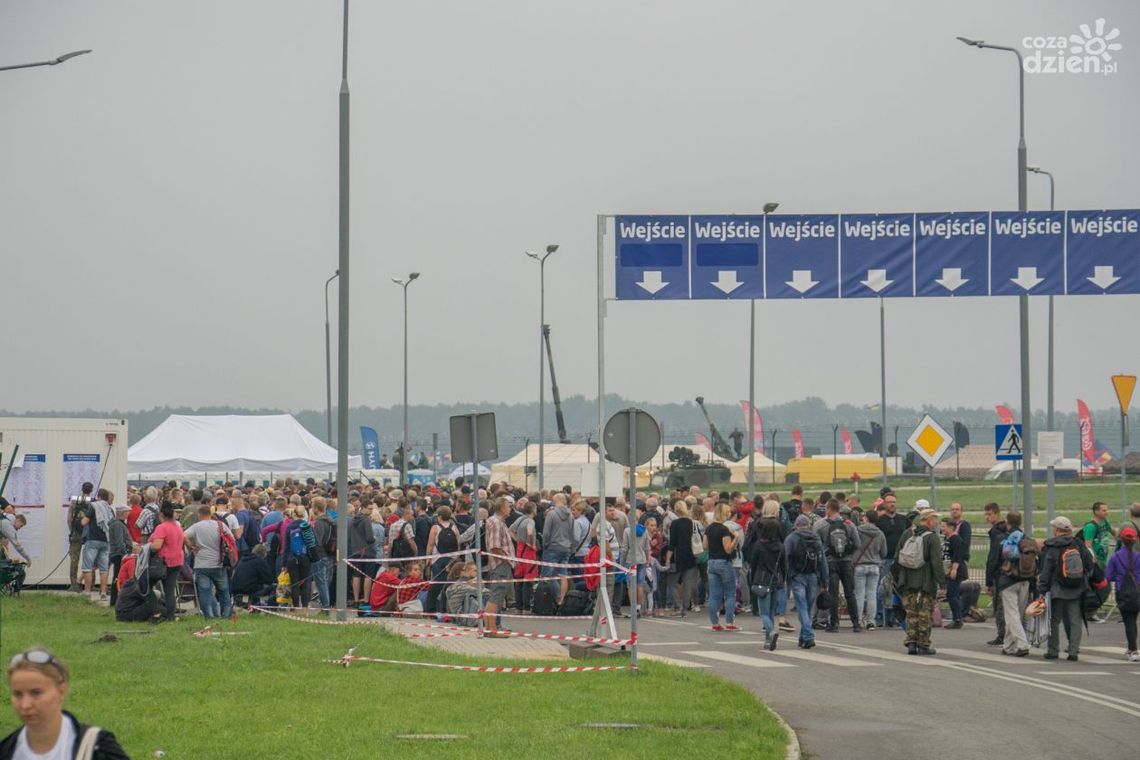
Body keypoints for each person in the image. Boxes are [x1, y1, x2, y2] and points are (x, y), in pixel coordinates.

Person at [2, 648, 128, 759]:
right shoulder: (6, 751)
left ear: (61, 691)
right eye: (18, 694)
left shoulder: (97, 747)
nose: (25, 705)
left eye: (36, 693)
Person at [1037, 515, 1095, 662]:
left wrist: (1042, 590)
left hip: (1057, 590)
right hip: (1076, 589)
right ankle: (1073, 651)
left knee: (1054, 621)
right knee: (1075, 621)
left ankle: (1053, 650)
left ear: (1057, 530)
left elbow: (1046, 570)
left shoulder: (1051, 546)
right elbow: (1089, 564)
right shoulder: (1078, 544)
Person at [895, 508, 945, 655]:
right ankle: (923, 644)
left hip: (907, 580)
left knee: (911, 613)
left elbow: (898, 555)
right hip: (925, 581)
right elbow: (937, 563)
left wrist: (900, 577)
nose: (936, 523)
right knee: (924, 613)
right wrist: (942, 583)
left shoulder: (907, 534)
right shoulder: (932, 538)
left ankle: (911, 643)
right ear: (928, 520)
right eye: (934, 519)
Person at [815, 499, 862, 633]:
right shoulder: (849, 524)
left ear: (829, 509)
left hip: (830, 562)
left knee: (833, 593)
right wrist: (849, 554)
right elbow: (858, 544)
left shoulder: (820, 525)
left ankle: (834, 624)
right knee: (850, 593)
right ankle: (856, 623)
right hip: (846, 562)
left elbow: (817, 545)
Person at [183, 504, 233, 619]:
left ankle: (209, 616)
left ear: (199, 515)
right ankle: (226, 615)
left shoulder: (196, 526)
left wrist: (191, 546)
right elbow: (231, 539)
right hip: (218, 563)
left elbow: (182, 535)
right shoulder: (220, 525)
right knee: (224, 590)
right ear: (210, 514)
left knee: (205, 591)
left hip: (201, 564)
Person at [785, 515, 828, 649]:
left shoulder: (791, 538)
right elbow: (822, 560)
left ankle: (808, 636)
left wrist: (785, 578)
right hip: (813, 576)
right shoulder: (816, 538)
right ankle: (803, 638)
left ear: (796, 525)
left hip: (797, 576)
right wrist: (825, 581)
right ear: (809, 525)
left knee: (802, 607)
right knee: (808, 608)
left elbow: (785, 559)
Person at [748, 516, 786, 650]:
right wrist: (783, 581)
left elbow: (753, 563)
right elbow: (784, 566)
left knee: (763, 613)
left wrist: (752, 580)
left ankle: (770, 631)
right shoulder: (781, 546)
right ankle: (767, 641)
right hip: (775, 581)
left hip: (762, 581)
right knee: (771, 612)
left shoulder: (759, 545)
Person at [1104, 526, 1140, 661]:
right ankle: (1132, 648)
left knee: (1128, 621)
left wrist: (1118, 578)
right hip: (1137, 592)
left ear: (1122, 540)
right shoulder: (1139, 556)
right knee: (1133, 620)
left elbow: (1108, 576)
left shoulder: (1115, 557)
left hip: (1122, 592)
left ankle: (1134, 650)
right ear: (1135, 540)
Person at [706, 502, 741, 632]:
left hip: (711, 562)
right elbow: (728, 549)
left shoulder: (709, 528)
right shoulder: (724, 529)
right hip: (724, 562)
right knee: (730, 593)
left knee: (714, 594)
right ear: (724, 513)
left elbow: (704, 546)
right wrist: (735, 539)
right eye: (728, 512)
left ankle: (715, 623)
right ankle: (729, 622)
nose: (729, 514)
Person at [483, 497, 515, 637]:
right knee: (496, 596)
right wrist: (506, 559)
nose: (510, 509)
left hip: (500, 564)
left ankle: (492, 627)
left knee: (497, 596)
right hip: (500, 564)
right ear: (501, 508)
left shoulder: (497, 522)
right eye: (508, 506)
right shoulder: (496, 523)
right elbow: (495, 546)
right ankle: (491, 629)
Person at [148, 502, 185, 622]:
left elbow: (157, 546)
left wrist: (148, 546)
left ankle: (156, 612)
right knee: (170, 591)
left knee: (146, 587)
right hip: (177, 561)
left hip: (163, 562)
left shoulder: (162, 527)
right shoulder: (177, 527)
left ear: (161, 515)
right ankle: (170, 616)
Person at [853, 510, 886, 630]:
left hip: (860, 565)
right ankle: (871, 621)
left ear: (866, 518)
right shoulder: (880, 533)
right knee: (872, 594)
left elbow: (854, 546)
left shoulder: (858, 531)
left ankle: (858, 619)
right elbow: (884, 552)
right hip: (875, 565)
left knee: (859, 594)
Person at [982, 502, 1009, 646]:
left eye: (989, 514)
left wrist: (988, 580)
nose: (987, 517)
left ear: (997, 514)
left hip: (998, 574)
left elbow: (992, 557)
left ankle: (1002, 634)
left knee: (999, 607)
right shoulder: (1007, 529)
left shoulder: (996, 532)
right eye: (986, 514)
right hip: (1008, 572)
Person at [666, 500, 699, 616]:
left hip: (678, 555)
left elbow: (672, 543)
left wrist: (667, 558)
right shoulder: (692, 523)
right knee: (687, 583)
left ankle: (677, 606)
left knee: (672, 582)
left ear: (675, 509)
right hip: (691, 554)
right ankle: (685, 608)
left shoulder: (674, 524)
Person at [940, 516, 969, 629]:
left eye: (943, 526)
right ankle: (957, 617)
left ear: (951, 527)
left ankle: (957, 618)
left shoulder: (956, 539)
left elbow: (958, 555)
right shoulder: (947, 539)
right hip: (948, 569)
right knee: (952, 594)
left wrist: (954, 569)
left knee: (952, 594)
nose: (942, 529)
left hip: (956, 570)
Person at [231, 543, 276, 608]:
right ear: (264, 554)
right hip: (249, 590)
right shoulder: (260, 562)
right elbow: (269, 580)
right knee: (274, 587)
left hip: (236, 590)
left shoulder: (242, 560)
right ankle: (270, 609)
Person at [107, 504, 132, 607]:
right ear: (122, 513)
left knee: (117, 577)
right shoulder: (118, 524)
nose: (128, 514)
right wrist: (124, 554)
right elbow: (119, 541)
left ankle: (116, 601)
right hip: (119, 555)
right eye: (127, 512)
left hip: (118, 554)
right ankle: (114, 601)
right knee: (118, 578)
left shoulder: (119, 523)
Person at [1081, 501, 1115, 567]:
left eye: (1107, 510)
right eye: (1104, 511)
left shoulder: (1105, 522)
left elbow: (1114, 533)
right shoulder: (1091, 526)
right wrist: (1094, 560)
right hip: (1095, 562)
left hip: (1104, 559)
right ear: (1096, 511)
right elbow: (1088, 545)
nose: (1107, 512)